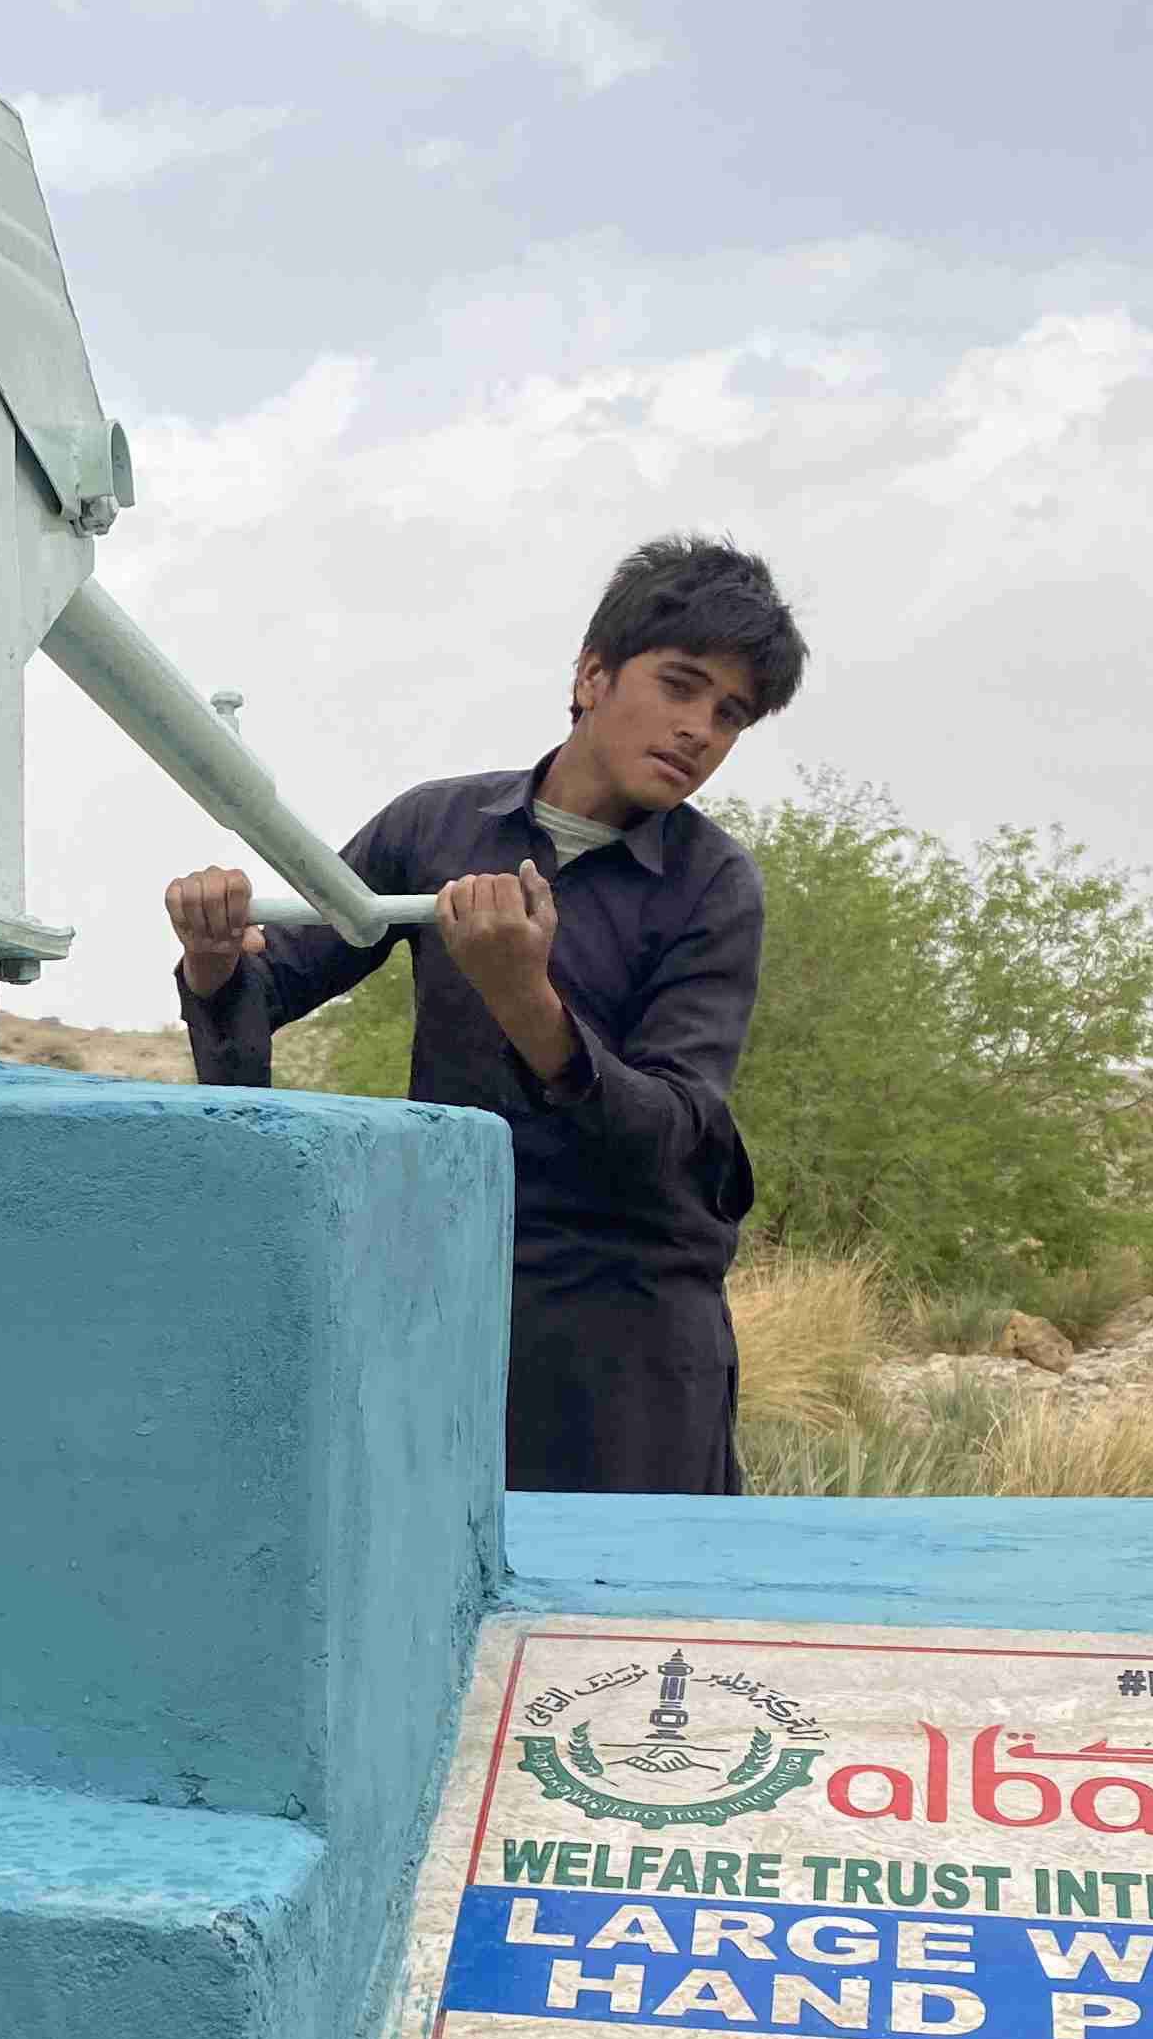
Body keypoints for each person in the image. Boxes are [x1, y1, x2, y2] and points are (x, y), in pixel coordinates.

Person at [167, 535, 805, 1495]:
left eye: (729, 715)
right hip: (449, 1298)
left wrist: (525, 1001)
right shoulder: (435, 827)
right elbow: (270, 988)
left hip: (628, 1340)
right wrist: (215, 958)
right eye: (679, 686)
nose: (699, 732)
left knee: (619, 1592)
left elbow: (675, 1135)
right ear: (591, 676)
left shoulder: (712, 888)